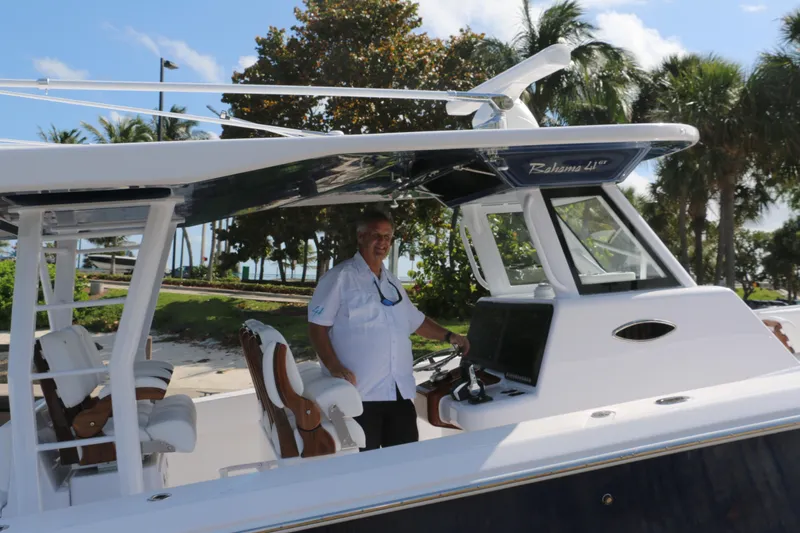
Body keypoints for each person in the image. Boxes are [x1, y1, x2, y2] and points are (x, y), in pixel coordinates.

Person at [308, 209, 470, 451]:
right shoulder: (339, 278)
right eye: (376, 235)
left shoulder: (391, 281)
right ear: (360, 236)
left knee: (404, 463)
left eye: (387, 237)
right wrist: (334, 366)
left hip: (399, 392)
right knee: (364, 467)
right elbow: (316, 327)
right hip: (360, 395)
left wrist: (450, 336)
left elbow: (415, 321)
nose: (382, 242)